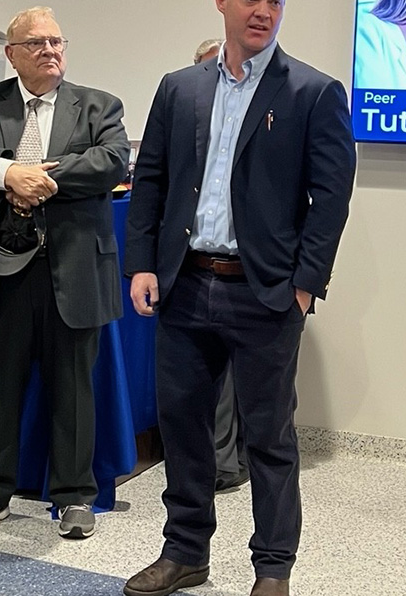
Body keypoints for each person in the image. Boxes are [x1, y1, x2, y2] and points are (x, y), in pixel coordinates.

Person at [123, 0, 356, 596]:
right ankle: (185, 553)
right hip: (186, 285)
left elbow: (330, 199)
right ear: (223, 0)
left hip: (266, 294)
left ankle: (272, 569)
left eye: (275, 0)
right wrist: (142, 264)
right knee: (184, 429)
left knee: (269, 439)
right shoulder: (181, 88)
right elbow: (152, 183)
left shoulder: (312, 92)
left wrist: (305, 286)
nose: (262, 11)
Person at [0, 6, 129, 541]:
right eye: (37, 44)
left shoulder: (99, 104)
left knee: (73, 387)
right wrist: (8, 173)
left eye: (57, 42)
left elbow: (112, 160)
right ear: (12, 54)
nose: (50, 51)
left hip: (70, 269)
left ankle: (74, 497)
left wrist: (41, 178)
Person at [192, 36, 251, 494]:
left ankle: (232, 459)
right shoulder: (188, 109)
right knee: (213, 380)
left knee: (254, 387)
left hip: (257, 277)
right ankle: (219, 462)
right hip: (196, 272)